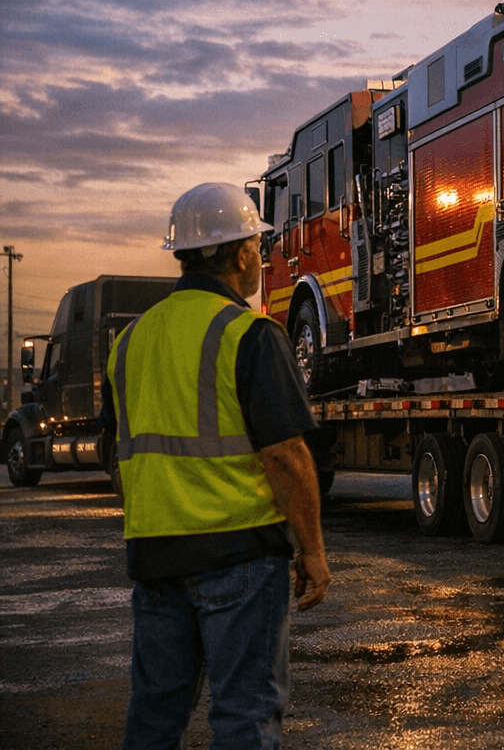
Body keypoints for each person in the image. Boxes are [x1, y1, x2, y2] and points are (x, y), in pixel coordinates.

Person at [100, 182, 331, 749]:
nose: (261, 255)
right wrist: (313, 551)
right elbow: (285, 455)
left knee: (155, 715)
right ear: (243, 254)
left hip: (155, 557)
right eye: (257, 245)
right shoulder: (249, 334)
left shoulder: (129, 341)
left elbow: (118, 454)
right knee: (245, 715)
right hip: (238, 555)